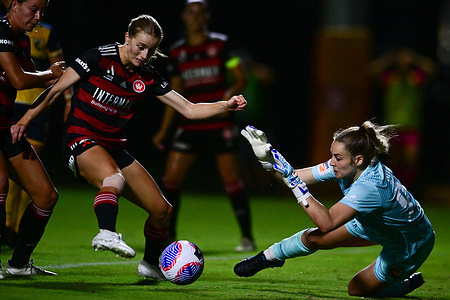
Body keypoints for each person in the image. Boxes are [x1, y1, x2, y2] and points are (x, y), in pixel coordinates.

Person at [10, 14, 247, 280]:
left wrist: (225, 105)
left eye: (151, 50)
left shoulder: (147, 75)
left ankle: (149, 265)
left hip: (114, 147)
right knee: (113, 177)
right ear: (127, 38)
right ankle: (107, 232)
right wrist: (25, 120)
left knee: (162, 210)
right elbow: (54, 90)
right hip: (81, 138)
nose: (144, 55)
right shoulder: (97, 57)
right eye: (140, 46)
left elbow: (189, 109)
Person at [234, 122, 435, 297]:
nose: (331, 162)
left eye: (337, 158)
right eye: (332, 155)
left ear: (358, 160)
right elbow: (295, 177)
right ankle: (266, 258)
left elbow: (326, 221)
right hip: (375, 223)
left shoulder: (370, 187)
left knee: (356, 289)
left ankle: (403, 284)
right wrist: (268, 162)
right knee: (314, 238)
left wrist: (295, 184)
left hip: (409, 242)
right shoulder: (353, 163)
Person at [152, 0, 256, 252]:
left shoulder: (221, 45)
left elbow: (240, 76)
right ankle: (169, 236)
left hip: (219, 123)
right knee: (171, 180)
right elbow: (173, 94)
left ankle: (247, 237)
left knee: (232, 181)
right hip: (190, 123)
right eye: (191, 12)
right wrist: (164, 131)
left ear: (207, 16)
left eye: (200, 12)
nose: (195, 17)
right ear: (184, 16)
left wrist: (225, 102)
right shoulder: (176, 52)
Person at [0, 0, 65, 279]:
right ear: (14, 4)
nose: (38, 17)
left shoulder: (22, 40)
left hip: (5, 126)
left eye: (43, 12)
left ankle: (18, 264)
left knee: (45, 195)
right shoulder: (0, 30)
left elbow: (34, 78)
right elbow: (18, 79)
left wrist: (64, 78)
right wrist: (51, 74)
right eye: (33, 9)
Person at [368, 47, 436, 191]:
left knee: (410, 160)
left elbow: (432, 69)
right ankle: (395, 190)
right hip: (393, 126)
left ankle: (407, 189)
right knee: (395, 162)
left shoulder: (414, 78)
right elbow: (371, 71)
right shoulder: (391, 79)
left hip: (411, 126)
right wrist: (389, 59)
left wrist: (415, 58)